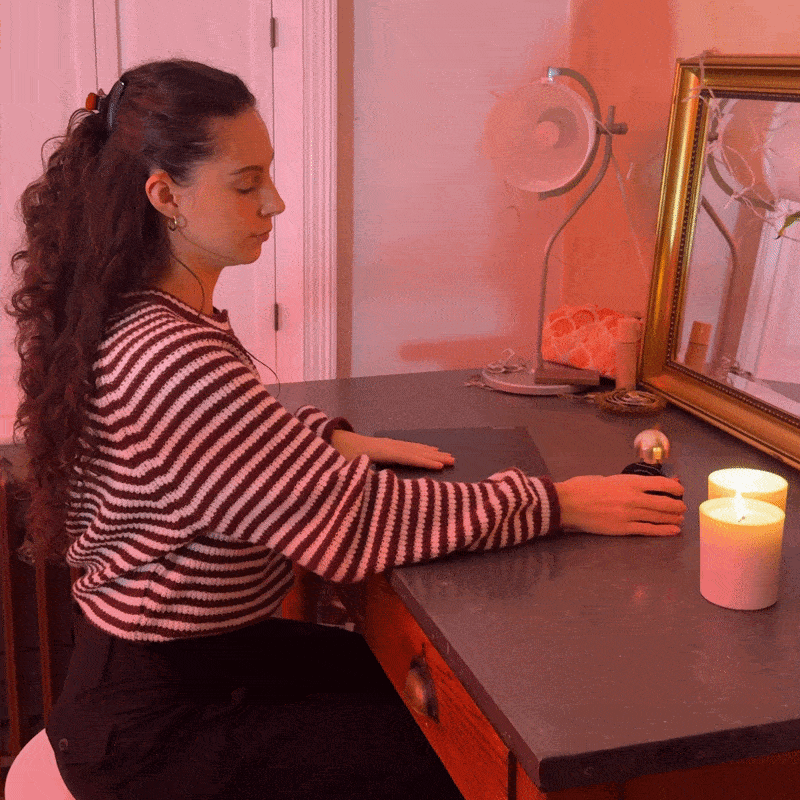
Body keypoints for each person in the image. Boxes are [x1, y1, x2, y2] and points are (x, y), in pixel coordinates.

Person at [9, 59, 686, 800]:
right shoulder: (171, 357)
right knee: (462, 755)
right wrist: (560, 504)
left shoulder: (143, 314)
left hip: (185, 666)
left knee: (416, 693)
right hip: (156, 728)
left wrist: (325, 441)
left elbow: (214, 452)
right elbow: (358, 521)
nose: (274, 202)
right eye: (246, 184)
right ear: (165, 195)